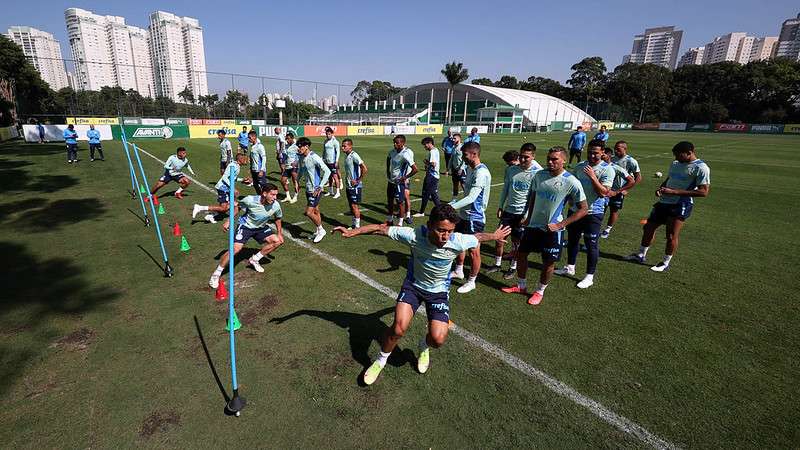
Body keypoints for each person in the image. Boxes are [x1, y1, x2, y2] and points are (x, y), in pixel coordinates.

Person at [332, 204, 510, 385]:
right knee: (398, 328)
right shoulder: (414, 235)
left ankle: (423, 346)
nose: (445, 236)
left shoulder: (458, 240)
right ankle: (380, 360)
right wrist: (352, 232)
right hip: (413, 288)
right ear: (429, 224)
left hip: (439, 293)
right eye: (441, 230)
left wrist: (495, 236)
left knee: (438, 339)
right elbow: (380, 229)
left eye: (449, 231)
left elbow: (478, 237)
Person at [501, 147, 587, 305]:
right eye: (549, 158)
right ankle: (521, 286)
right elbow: (533, 196)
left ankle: (539, 291)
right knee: (521, 254)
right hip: (532, 226)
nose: (550, 161)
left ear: (564, 160)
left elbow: (584, 209)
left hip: (552, 230)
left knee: (548, 262)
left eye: (555, 159)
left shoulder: (571, 181)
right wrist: (528, 217)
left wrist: (561, 224)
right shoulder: (539, 175)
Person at [625, 141, 710, 272]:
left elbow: (703, 192)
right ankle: (641, 254)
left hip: (680, 204)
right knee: (648, 227)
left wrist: (674, 192)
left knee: (671, 235)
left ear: (689, 153)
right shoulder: (675, 163)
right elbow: (669, 179)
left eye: (679, 155)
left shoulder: (701, 167)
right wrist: (661, 188)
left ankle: (665, 263)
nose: (676, 158)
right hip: (664, 202)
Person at [554, 140, 614, 289]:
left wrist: (593, 177)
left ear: (603, 153)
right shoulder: (580, 166)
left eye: (596, 152)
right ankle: (570, 267)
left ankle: (589, 276)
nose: (592, 155)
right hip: (575, 210)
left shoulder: (607, 170)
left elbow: (603, 193)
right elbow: (571, 186)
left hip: (593, 213)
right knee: (573, 240)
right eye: (590, 152)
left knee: (591, 245)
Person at [208, 183, 284, 288]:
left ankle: (255, 259)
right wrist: (228, 221)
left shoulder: (275, 205)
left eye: (276, 195)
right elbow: (238, 207)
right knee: (235, 249)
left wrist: (279, 233)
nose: (275, 198)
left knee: (278, 241)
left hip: (260, 227)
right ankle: (216, 274)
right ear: (264, 193)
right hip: (245, 226)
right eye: (272, 195)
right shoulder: (250, 200)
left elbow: (278, 218)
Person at [489, 143, 543, 278]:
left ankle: (512, 267)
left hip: (521, 214)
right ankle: (497, 264)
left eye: (527, 157)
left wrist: (526, 214)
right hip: (508, 211)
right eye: (521, 156)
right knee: (499, 238)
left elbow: (533, 196)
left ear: (533, 157)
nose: (523, 160)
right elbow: (505, 189)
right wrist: (501, 206)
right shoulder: (511, 170)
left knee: (517, 242)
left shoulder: (537, 173)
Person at [448, 141, 491, 294]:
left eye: (465, 155)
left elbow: (472, 198)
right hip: (464, 215)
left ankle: (471, 281)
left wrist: (451, 207)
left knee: (474, 251)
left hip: (475, 217)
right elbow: (466, 193)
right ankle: (459, 270)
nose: (463, 158)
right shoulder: (470, 169)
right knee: (458, 242)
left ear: (474, 154)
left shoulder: (481, 173)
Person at [192, 152, 250, 223]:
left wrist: (242, 179)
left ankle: (211, 215)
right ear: (240, 159)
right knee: (225, 208)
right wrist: (233, 188)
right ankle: (200, 208)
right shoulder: (233, 165)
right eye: (245, 159)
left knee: (232, 205)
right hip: (223, 188)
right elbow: (224, 178)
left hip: (227, 188)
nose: (246, 160)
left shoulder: (237, 166)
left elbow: (232, 178)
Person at [602, 141, 642, 238]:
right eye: (615, 149)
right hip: (607, 188)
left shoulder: (631, 161)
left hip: (618, 191)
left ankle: (608, 229)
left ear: (625, 149)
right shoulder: (612, 158)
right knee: (601, 209)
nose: (616, 151)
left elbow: (638, 177)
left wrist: (626, 189)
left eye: (618, 149)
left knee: (614, 210)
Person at [297, 137, 332, 243]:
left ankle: (321, 230)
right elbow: (301, 170)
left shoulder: (314, 157)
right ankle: (318, 230)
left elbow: (327, 171)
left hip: (315, 190)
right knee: (316, 210)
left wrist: (321, 186)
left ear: (306, 146)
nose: (299, 149)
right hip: (308, 189)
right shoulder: (301, 157)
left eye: (300, 147)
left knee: (309, 212)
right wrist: (297, 181)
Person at [385, 134, 417, 226]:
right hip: (391, 181)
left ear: (403, 143)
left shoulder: (405, 154)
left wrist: (405, 177)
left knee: (400, 203)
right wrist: (388, 170)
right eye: (394, 142)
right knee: (390, 201)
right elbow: (388, 158)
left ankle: (400, 222)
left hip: (399, 183)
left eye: (397, 143)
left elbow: (415, 169)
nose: (394, 144)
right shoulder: (392, 152)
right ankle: (390, 220)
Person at [342, 138, 367, 229]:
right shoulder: (347, 155)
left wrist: (358, 180)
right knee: (351, 206)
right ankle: (353, 224)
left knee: (354, 206)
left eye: (344, 146)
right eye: (342, 146)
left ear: (350, 146)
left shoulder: (354, 155)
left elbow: (364, 168)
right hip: (349, 185)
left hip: (355, 186)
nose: (342, 148)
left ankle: (357, 226)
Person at [414, 136, 441, 217]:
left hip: (431, 176)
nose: (424, 147)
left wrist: (426, 162)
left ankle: (422, 212)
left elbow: (433, 164)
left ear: (429, 143)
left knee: (426, 194)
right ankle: (441, 211)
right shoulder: (436, 150)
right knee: (433, 194)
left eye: (425, 145)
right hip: (434, 176)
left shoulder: (432, 152)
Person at [279, 132, 300, 203]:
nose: (287, 140)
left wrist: (296, 162)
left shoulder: (297, 145)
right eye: (286, 139)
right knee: (282, 180)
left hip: (294, 167)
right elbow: (285, 155)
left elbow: (301, 154)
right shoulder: (286, 145)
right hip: (287, 166)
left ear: (292, 138)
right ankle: (288, 196)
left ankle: (295, 196)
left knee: (295, 181)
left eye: (288, 139)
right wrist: (283, 162)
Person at [322, 127, 342, 198]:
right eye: (327, 134)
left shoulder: (335, 141)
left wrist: (336, 161)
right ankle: (330, 191)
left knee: (335, 176)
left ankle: (338, 192)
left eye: (329, 134)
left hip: (333, 162)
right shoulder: (325, 141)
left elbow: (338, 152)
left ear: (332, 134)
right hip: (327, 162)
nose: (328, 135)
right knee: (329, 177)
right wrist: (323, 158)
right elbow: (324, 151)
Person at [248, 130, 267, 195]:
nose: (249, 139)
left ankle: (268, 199)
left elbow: (264, 158)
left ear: (254, 137)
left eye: (249, 138)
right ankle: (260, 198)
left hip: (259, 170)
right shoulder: (252, 146)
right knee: (255, 185)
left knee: (263, 186)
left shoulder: (260, 146)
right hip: (254, 170)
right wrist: (250, 168)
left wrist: (262, 170)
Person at [447, 132, 464, 198]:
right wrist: (448, 168)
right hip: (454, 169)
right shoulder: (454, 148)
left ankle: (468, 199)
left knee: (463, 185)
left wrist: (461, 168)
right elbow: (451, 158)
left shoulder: (462, 147)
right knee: (455, 184)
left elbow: (464, 159)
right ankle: (454, 199)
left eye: (455, 138)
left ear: (459, 139)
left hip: (461, 170)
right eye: (453, 138)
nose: (453, 140)